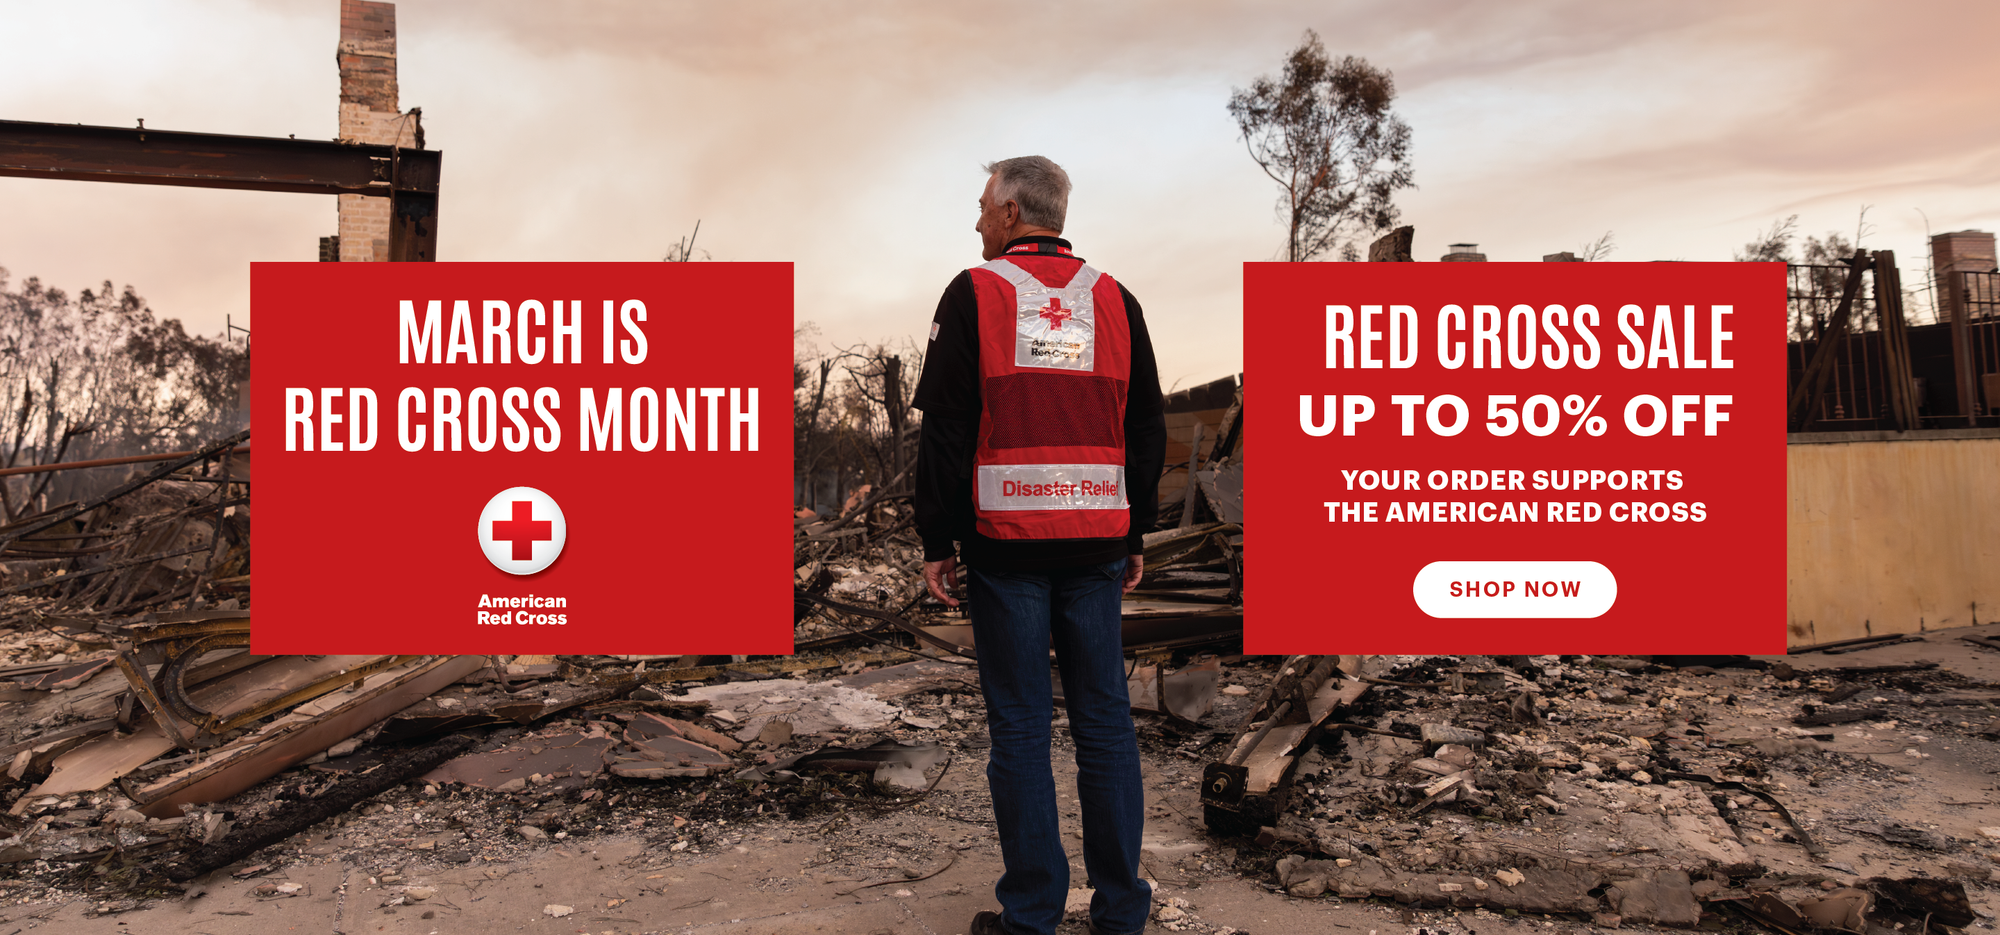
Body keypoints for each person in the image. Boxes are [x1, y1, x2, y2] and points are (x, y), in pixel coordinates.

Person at [911, 156, 1168, 935]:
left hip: (1007, 545)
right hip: (1095, 540)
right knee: (1104, 722)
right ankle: (1121, 911)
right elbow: (1145, 427)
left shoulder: (974, 294)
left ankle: (1030, 915)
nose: (978, 220)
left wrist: (936, 537)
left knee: (1021, 725)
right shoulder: (1116, 299)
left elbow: (949, 431)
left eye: (984, 206)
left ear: (1015, 212)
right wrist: (1134, 529)